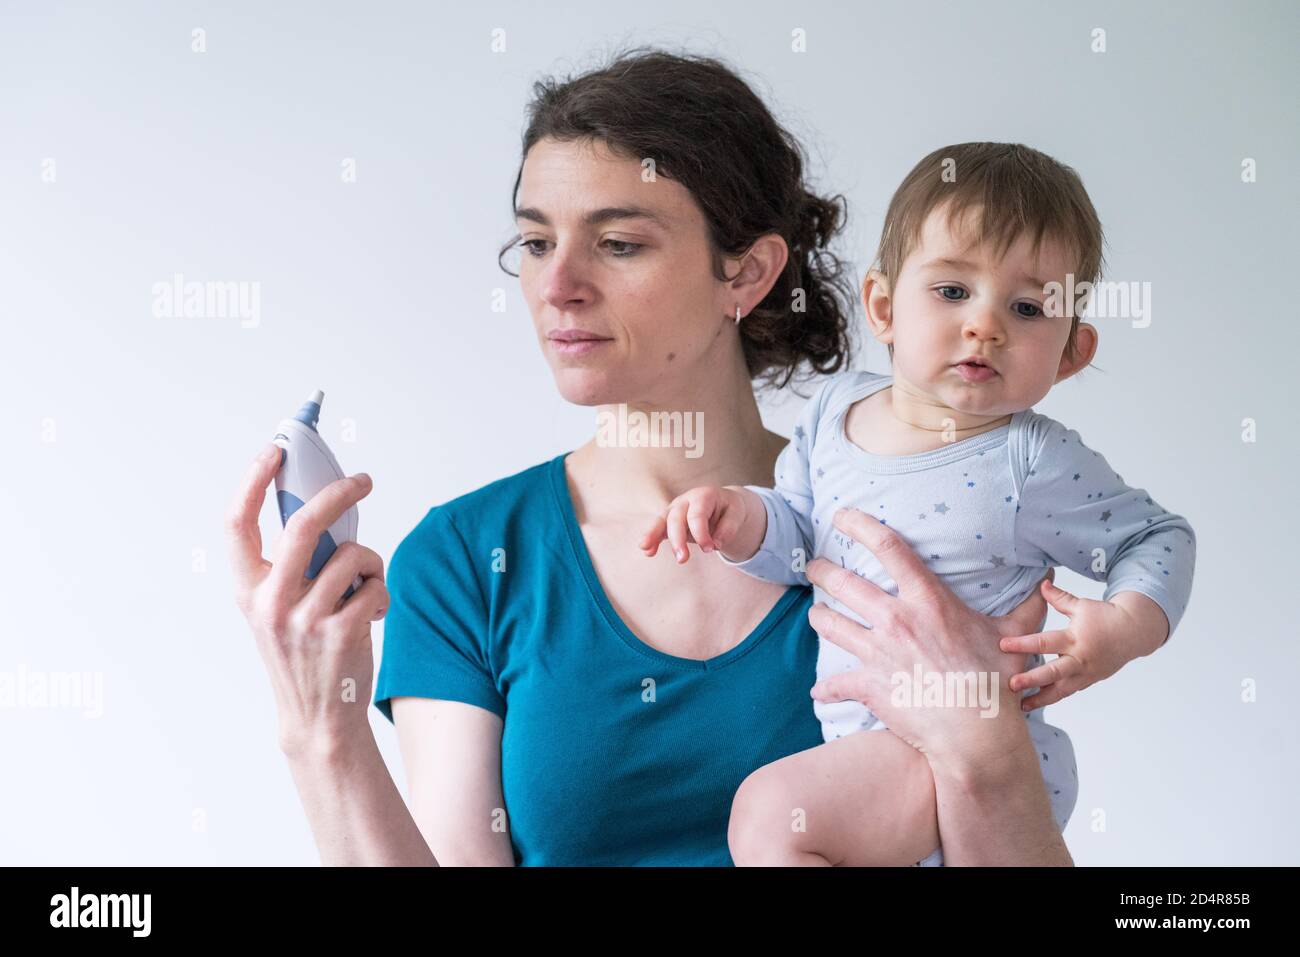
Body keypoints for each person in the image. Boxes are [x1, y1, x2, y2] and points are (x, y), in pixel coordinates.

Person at [225, 48, 1073, 866]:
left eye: (618, 243)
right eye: (535, 243)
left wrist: (986, 736)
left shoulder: (908, 530)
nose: (558, 286)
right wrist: (320, 730)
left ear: (746, 273)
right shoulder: (466, 561)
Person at [642, 142, 1197, 865]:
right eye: (952, 291)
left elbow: (1159, 535)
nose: (985, 325)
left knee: (775, 818)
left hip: (959, 750)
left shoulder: (1030, 457)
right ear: (883, 306)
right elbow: (801, 541)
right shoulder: (835, 410)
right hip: (865, 746)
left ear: (1070, 353)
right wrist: (741, 519)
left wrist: (1125, 627)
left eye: (1027, 307)